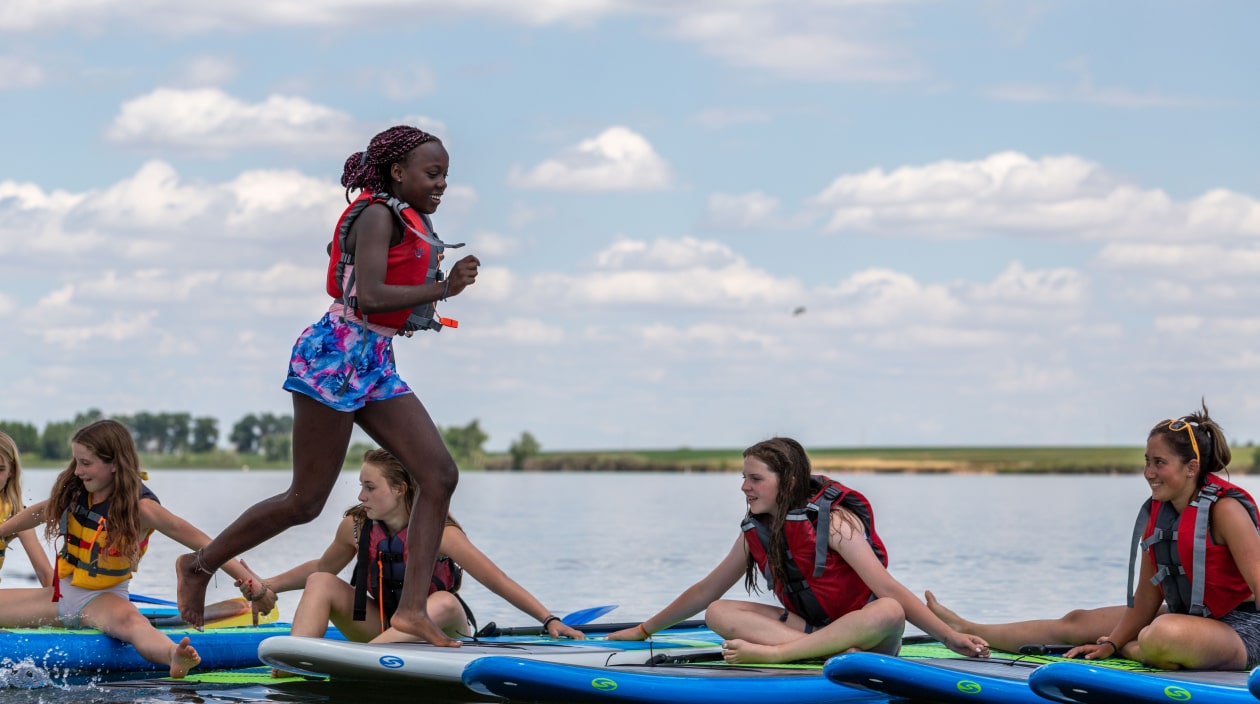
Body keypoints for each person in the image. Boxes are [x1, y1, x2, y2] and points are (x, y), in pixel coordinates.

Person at [176, 125, 480, 644]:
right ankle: (200, 564)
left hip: (374, 359)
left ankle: (411, 612)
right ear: (397, 172)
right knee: (305, 501)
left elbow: (373, 293)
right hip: (335, 354)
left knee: (440, 474)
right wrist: (444, 289)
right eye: (432, 174)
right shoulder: (379, 214)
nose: (442, 184)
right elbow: (369, 297)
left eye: (446, 175)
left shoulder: (405, 218)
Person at [930, 403, 1260, 671]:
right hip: (1191, 619)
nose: (1148, 473)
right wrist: (1110, 643)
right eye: (1147, 461)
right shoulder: (1161, 513)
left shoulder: (1225, 509)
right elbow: (1145, 599)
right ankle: (966, 628)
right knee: (1077, 622)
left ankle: (1139, 648)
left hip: (1242, 630)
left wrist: (1122, 643)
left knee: (1161, 634)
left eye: (1160, 463)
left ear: (1191, 467)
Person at [606, 437, 989, 664]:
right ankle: (825, 654)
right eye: (744, 478)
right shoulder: (757, 532)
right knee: (718, 611)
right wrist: (643, 629)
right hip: (813, 632)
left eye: (755, 478)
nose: (745, 487)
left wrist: (948, 636)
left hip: (868, 636)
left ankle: (779, 654)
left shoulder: (834, 522)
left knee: (888, 609)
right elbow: (707, 591)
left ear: (787, 480)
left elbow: (890, 591)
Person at [0, 420, 266, 678]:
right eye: (76, 461)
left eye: (86, 463)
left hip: (103, 600)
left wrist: (253, 585)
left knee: (133, 625)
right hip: (57, 599)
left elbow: (206, 544)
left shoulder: (143, 509)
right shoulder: (76, 490)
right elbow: (38, 513)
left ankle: (174, 654)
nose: (78, 471)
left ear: (114, 463)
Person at [246, 448, 585, 647]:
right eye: (360, 486)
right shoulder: (357, 526)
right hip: (384, 627)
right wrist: (267, 585)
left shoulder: (440, 533)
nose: (360, 496)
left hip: (441, 630)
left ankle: (360, 661)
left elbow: (497, 579)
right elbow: (321, 568)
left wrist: (548, 619)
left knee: (443, 600)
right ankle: (292, 667)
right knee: (320, 582)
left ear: (399, 489)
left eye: (369, 487)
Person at [0, 432, 54, 587]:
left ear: (12, 471)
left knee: (53, 595)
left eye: (0, 469)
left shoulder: (15, 514)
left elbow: (45, 574)